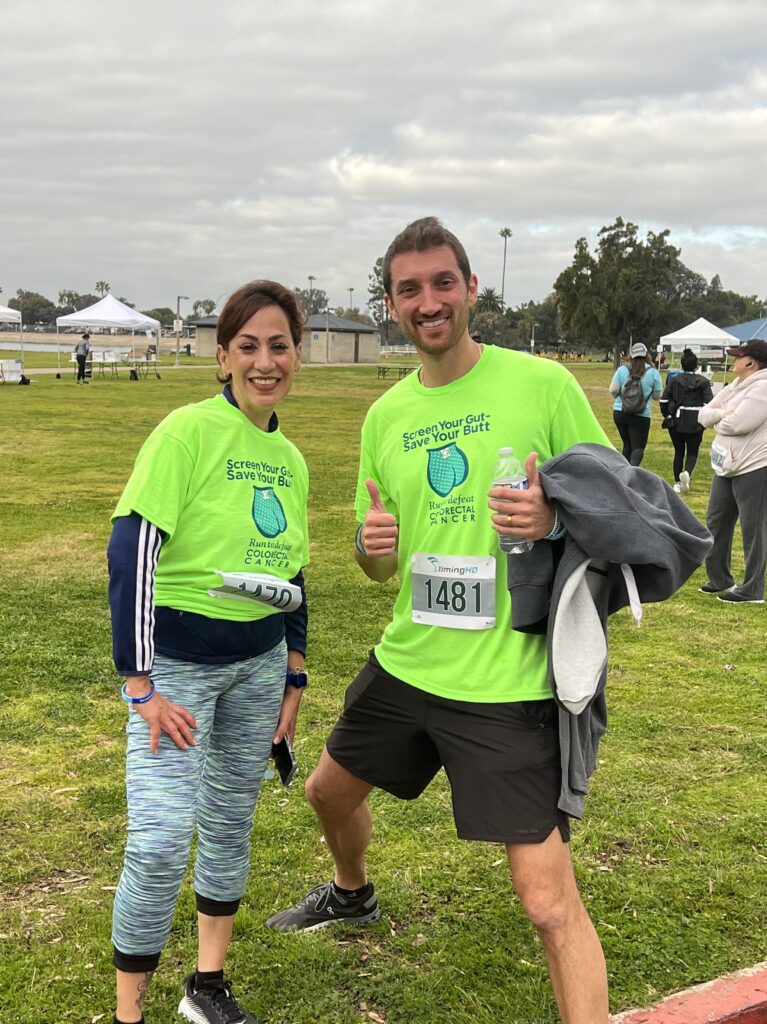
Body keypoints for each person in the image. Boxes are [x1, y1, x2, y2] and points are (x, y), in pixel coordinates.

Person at [266, 218, 613, 1023]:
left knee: (544, 900)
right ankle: (352, 896)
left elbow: (620, 503)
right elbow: (376, 561)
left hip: (506, 678)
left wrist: (551, 518)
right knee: (324, 791)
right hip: (410, 660)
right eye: (410, 289)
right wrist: (368, 544)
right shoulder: (385, 416)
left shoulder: (541, 386)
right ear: (390, 304)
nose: (429, 302)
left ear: (471, 289)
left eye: (442, 283)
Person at [107, 280, 309, 1024]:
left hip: (258, 667)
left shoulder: (288, 456)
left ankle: (208, 987)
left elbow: (291, 574)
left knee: (229, 822)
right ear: (222, 356)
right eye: (248, 346)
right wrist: (141, 685)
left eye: (280, 345)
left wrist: (294, 671)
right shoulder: (185, 433)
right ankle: (130, 1014)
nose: (265, 361)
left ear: (298, 354)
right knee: (160, 841)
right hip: (181, 671)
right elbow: (134, 550)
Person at [697, 338, 767, 604]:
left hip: (755, 465)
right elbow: (704, 415)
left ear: (750, 361)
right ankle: (719, 579)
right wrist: (721, 414)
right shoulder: (737, 385)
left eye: (738, 356)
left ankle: (752, 589)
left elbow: (738, 423)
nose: (733, 360)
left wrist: (720, 417)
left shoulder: (763, 387)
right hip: (727, 463)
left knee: (754, 528)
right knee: (716, 520)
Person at [659, 347, 714, 492]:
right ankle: (687, 473)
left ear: (682, 364)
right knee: (692, 452)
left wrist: (667, 415)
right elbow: (709, 404)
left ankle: (677, 482)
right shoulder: (703, 382)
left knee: (678, 451)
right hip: (696, 421)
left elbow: (664, 400)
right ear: (696, 366)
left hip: (677, 421)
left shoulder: (674, 380)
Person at [608, 342, 662, 465]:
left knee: (627, 445)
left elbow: (613, 390)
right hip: (641, 414)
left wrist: (621, 398)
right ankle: (632, 474)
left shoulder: (622, 370)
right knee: (638, 447)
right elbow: (656, 396)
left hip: (620, 412)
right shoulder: (653, 372)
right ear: (646, 355)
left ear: (631, 355)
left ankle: (623, 473)